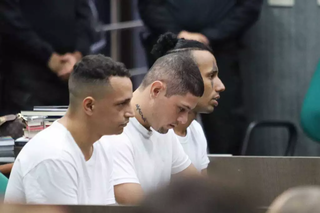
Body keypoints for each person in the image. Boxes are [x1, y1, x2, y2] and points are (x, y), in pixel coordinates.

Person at [5, 55, 134, 204]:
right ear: (89, 106)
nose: (130, 112)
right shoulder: (53, 156)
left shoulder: (103, 144)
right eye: (121, 104)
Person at [138, 0, 263, 155]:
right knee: (166, 115)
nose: (184, 117)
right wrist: (177, 34)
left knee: (224, 123)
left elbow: (249, 6)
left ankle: (224, 177)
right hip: (169, 47)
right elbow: (150, 5)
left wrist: (211, 35)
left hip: (221, 49)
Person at [101, 33, 204, 205]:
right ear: (156, 90)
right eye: (181, 109)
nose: (183, 119)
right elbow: (139, 208)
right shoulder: (114, 133)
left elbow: (199, 190)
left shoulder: (164, 131)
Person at [0, 0, 93, 115]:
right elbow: (10, 22)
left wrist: (78, 55)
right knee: (28, 130)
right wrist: (49, 57)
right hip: (27, 76)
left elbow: (85, 16)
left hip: (73, 74)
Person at [168, 42, 225, 174]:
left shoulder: (196, 130)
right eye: (211, 76)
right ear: (182, 79)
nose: (221, 86)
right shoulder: (160, 133)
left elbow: (201, 192)